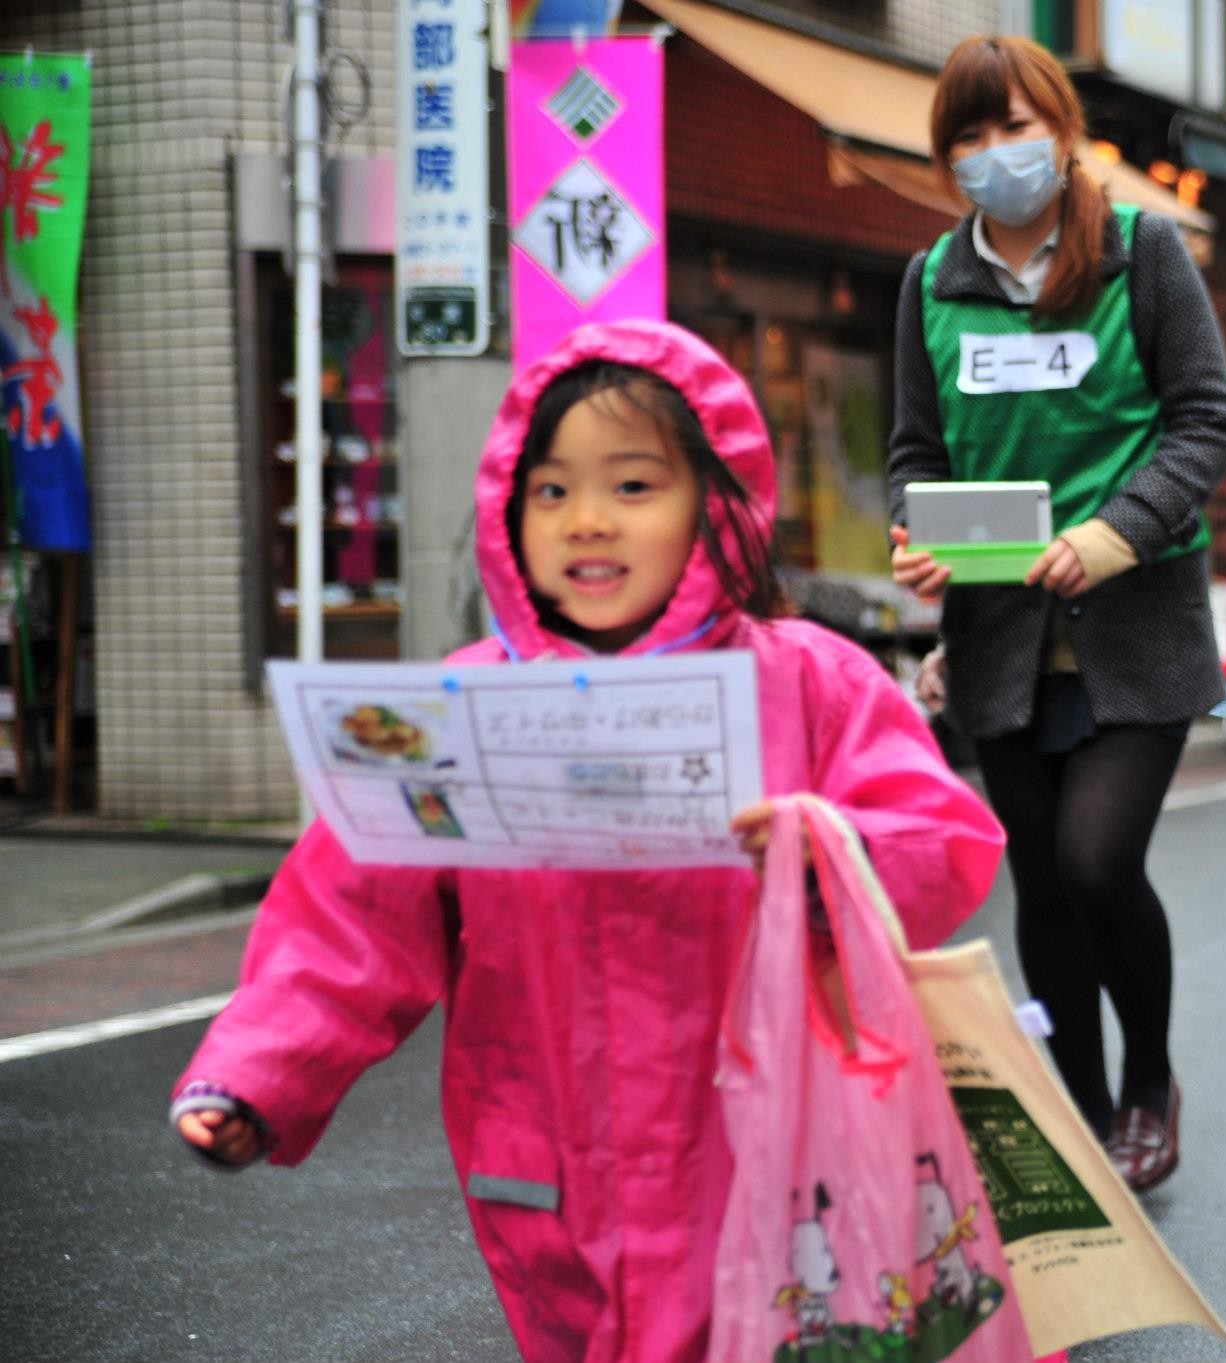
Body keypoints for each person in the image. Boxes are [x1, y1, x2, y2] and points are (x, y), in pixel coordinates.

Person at [168, 322, 1007, 1362]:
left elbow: (940, 836)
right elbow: (348, 918)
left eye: (633, 485)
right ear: (506, 514)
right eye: (551, 491)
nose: (586, 521)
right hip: (544, 1151)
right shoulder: (461, 705)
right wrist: (256, 1074)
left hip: (767, 1142)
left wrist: (819, 851)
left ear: (716, 500)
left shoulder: (806, 679)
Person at [886, 35, 1226, 1193]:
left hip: (1135, 625)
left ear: (1061, 126)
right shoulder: (929, 281)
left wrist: (1116, 530)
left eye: (1014, 127)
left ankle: (1149, 1081)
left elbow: (1203, 419)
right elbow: (913, 451)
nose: (997, 156)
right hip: (995, 641)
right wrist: (916, 537)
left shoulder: (1140, 251)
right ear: (947, 159)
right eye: (969, 139)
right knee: (1037, 885)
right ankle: (1079, 1112)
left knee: (1096, 862)